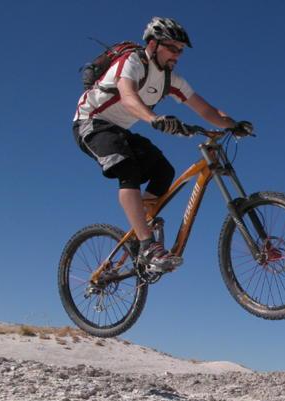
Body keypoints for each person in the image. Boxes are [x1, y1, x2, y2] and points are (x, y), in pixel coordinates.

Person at [73, 17, 252, 273]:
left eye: (181, 51)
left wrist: (232, 125)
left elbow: (206, 109)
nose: (177, 55)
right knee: (127, 169)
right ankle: (147, 245)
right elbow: (129, 97)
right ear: (153, 44)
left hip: (120, 131)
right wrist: (154, 119)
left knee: (164, 171)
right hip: (91, 123)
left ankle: (139, 230)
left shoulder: (171, 81)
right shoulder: (132, 62)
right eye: (172, 48)